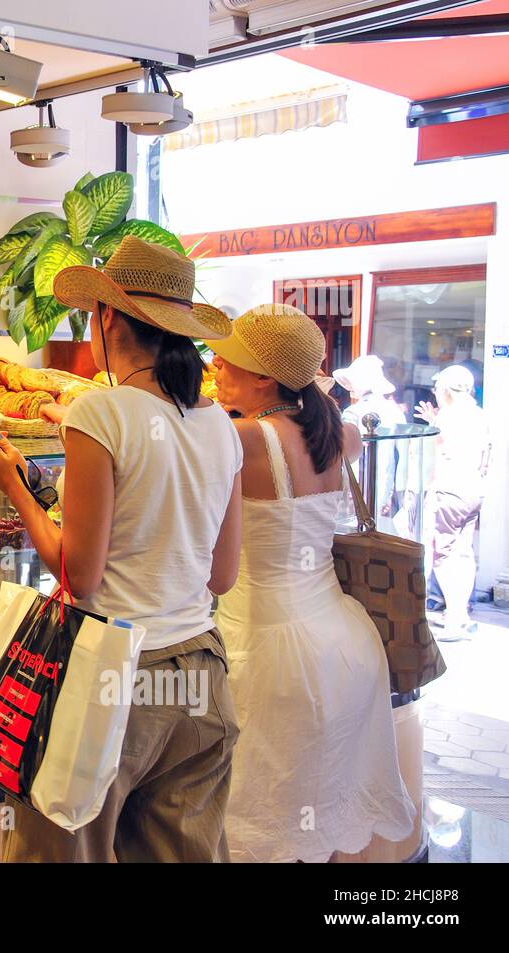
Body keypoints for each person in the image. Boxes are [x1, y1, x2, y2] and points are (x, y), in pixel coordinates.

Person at [0, 235, 244, 863]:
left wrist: (14, 491)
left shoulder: (99, 412)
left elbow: (80, 572)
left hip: (113, 680)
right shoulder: (220, 424)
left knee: (63, 854)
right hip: (200, 678)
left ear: (107, 317)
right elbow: (223, 574)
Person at [206, 304, 414, 863]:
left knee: (251, 816)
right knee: (308, 811)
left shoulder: (244, 438)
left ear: (264, 377)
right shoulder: (342, 433)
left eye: (226, 361)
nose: (214, 367)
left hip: (269, 651)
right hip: (343, 644)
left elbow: (215, 562)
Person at [416, 365, 491, 641]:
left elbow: (438, 455)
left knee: (442, 554)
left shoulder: (449, 416)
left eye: (437, 388)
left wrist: (429, 491)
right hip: (473, 490)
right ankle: (461, 614)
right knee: (464, 552)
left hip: (449, 490)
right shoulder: (478, 414)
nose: (435, 392)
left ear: (446, 390)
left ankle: (455, 618)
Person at [332, 354, 409, 533]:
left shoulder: (354, 412)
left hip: (356, 482)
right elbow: (403, 456)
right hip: (384, 483)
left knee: (356, 533)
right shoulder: (394, 411)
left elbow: (342, 452)